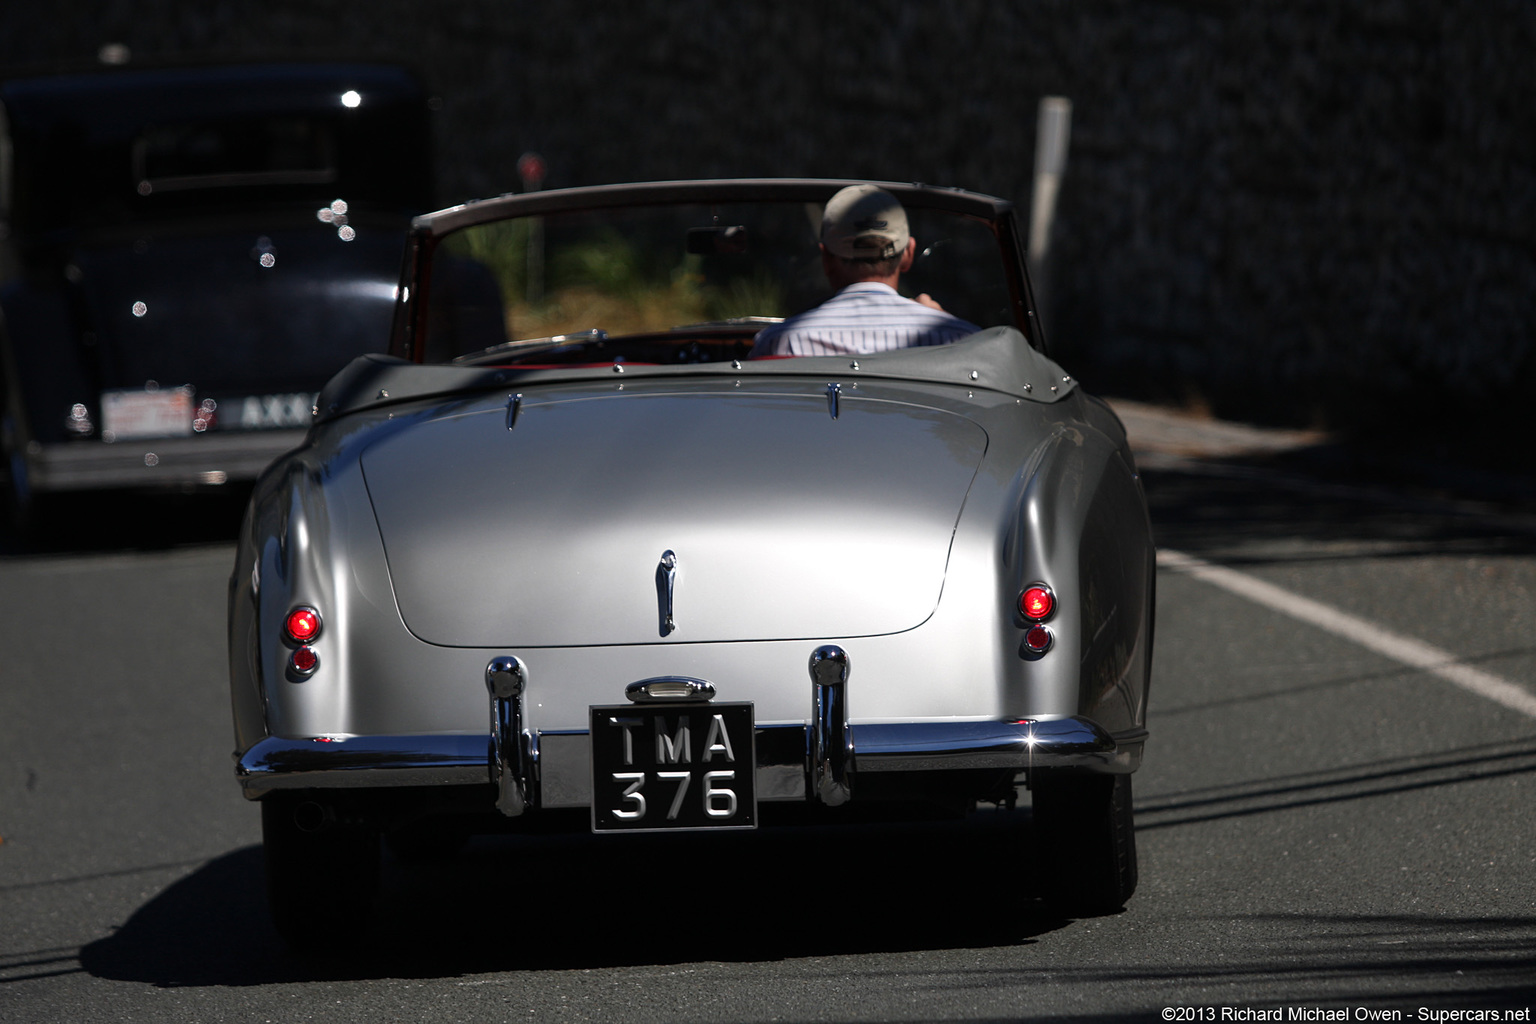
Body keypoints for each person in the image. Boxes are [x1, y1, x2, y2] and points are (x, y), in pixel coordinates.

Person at [749, 184, 979, 357]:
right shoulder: (960, 340)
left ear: (826, 258)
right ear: (908, 253)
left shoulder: (780, 342)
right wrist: (941, 319)